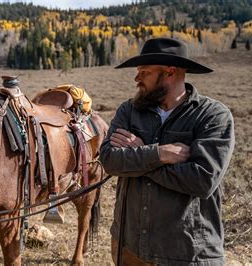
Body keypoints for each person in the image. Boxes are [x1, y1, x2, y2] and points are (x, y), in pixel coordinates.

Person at [99, 38, 235, 265]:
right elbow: (109, 161)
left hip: (187, 254)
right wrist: (158, 154)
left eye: (145, 72)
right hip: (129, 247)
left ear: (170, 72)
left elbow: (202, 180)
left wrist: (139, 157)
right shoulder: (129, 111)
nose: (136, 79)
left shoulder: (213, 116)